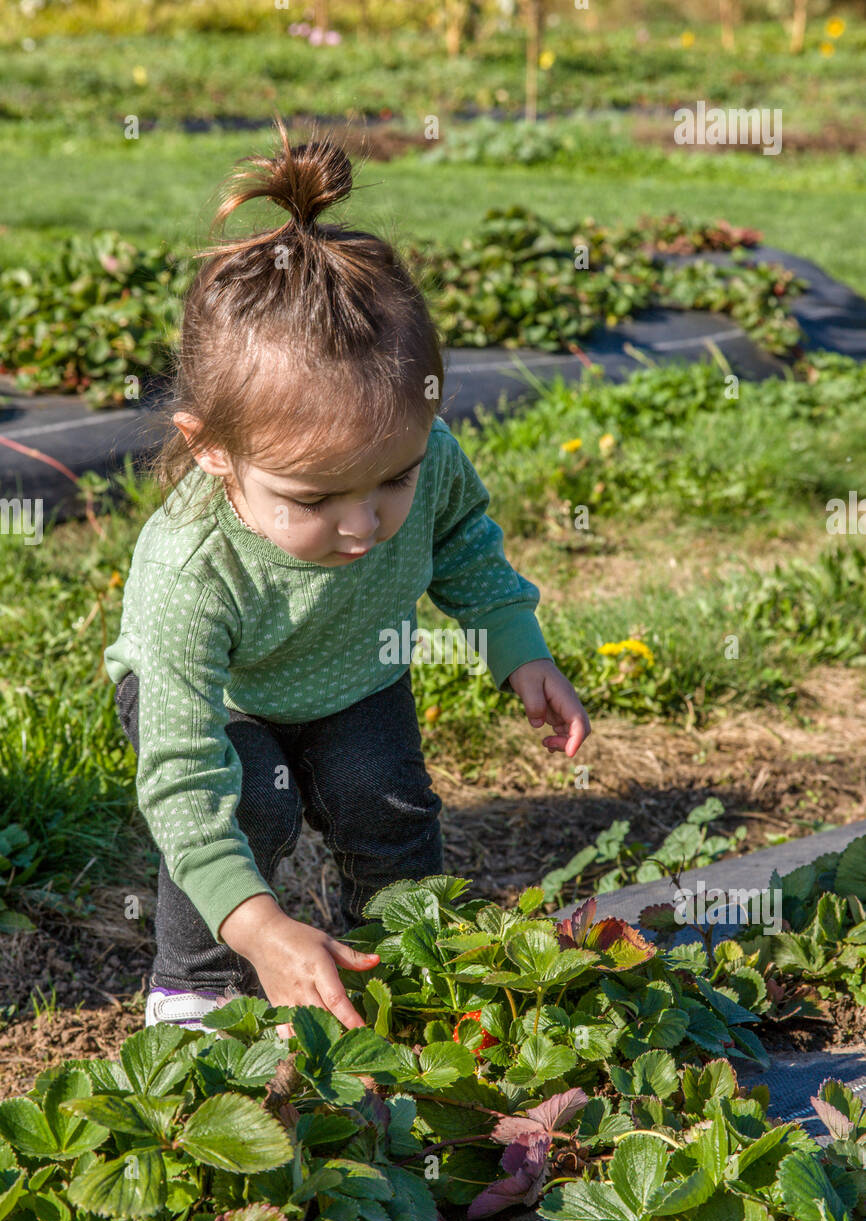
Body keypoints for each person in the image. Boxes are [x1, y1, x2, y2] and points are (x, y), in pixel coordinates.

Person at [104, 118, 591, 1033]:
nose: (365, 524)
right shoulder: (188, 573)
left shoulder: (429, 456)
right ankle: (195, 991)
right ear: (211, 451)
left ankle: (402, 960)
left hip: (353, 675)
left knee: (388, 802)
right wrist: (260, 925)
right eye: (316, 497)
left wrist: (517, 649)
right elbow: (179, 780)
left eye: (392, 480)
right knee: (245, 803)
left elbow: (465, 544)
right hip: (221, 703)